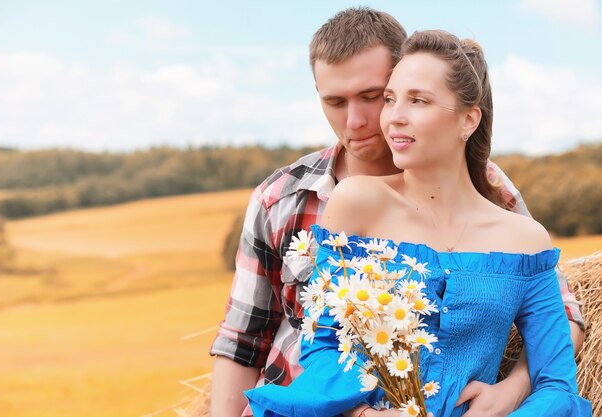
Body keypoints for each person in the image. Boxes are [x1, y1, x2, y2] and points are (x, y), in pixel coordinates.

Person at [209, 8, 585, 417]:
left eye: (375, 96)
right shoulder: (294, 199)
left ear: (468, 119)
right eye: (336, 101)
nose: (363, 120)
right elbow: (249, 342)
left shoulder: (499, 199)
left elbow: (560, 336)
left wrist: (514, 390)